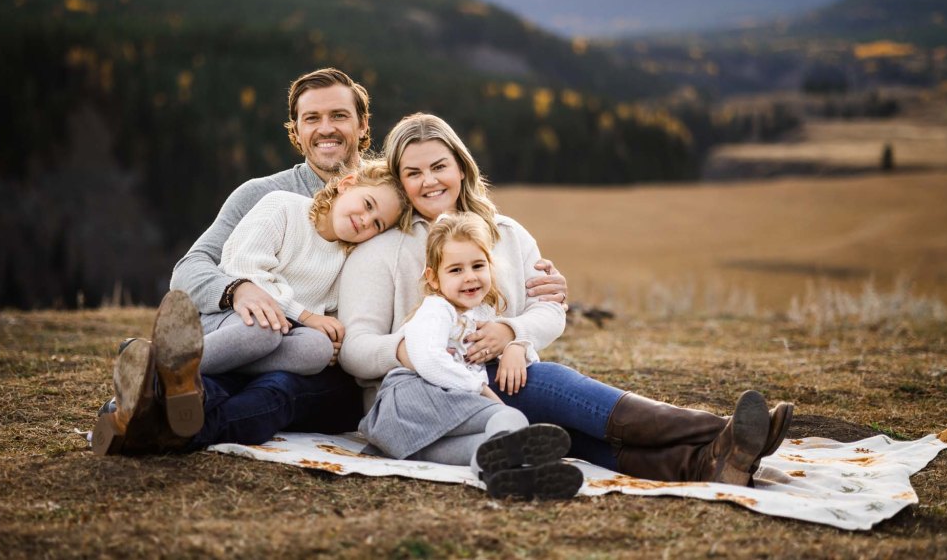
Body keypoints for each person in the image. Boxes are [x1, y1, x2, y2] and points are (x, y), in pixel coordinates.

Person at [339, 113, 793, 486]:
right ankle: (720, 430)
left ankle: (711, 464)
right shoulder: (380, 251)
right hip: (427, 394)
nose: (429, 181)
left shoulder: (508, 235)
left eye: (439, 166)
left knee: (565, 435)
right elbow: (355, 350)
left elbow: (550, 309)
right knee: (549, 382)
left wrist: (511, 333)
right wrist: (420, 349)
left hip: (501, 375)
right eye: (413, 173)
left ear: (461, 166)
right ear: (399, 182)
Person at [94, 68, 380, 454]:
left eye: (339, 116)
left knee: (276, 388)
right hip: (250, 332)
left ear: (363, 125)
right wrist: (238, 290)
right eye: (312, 118)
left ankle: (137, 409)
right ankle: (152, 407)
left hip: (321, 361)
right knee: (234, 373)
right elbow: (188, 270)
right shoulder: (264, 195)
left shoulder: (383, 209)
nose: (325, 128)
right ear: (296, 131)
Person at [359, 212, 582, 499]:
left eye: (478, 265)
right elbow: (427, 360)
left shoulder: (480, 315)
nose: (470, 277)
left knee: (487, 445)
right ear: (433, 278)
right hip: (413, 398)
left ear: (490, 267)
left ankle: (509, 479)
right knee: (508, 418)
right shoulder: (436, 310)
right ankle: (515, 465)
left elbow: (486, 355)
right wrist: (479, 388)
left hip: (415, 431)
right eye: (455, 270)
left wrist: (518, 346)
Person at [199, 158, 408, 379]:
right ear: (347, 185)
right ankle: (173, 364)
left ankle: (205, 371)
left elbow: (331, 312)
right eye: (368, 204)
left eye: (377, 224)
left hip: (282, 332)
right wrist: (306, 317)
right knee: (265, 330)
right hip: (231, 315)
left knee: (318, 349)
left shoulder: (348, 259)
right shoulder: (283, 207)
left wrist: (332, 337)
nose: (366, 220)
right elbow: (244, 270)